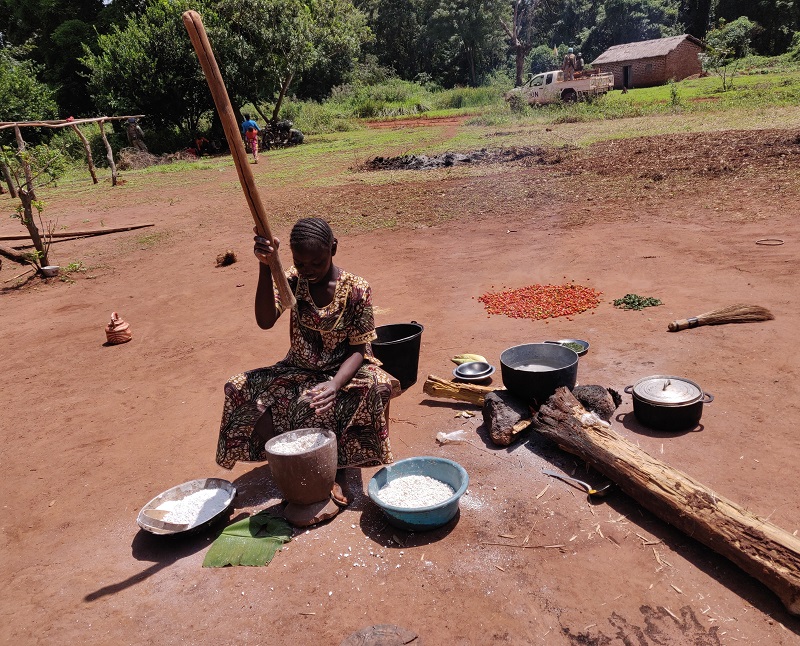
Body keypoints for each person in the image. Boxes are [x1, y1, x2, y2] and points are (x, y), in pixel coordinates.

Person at [215, 217, 399, 508]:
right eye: (301, 264)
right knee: (238, 388)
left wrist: (335, 384)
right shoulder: (291, 280)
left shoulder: (357, 289)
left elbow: (359, 349)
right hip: (298, 369)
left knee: (377, 386)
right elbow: (265, 321)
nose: (308, 271)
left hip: (346, 370)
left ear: (333, 249)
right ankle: (291, 461)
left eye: (317, 263)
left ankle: (337, 468)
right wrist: (266, 266)